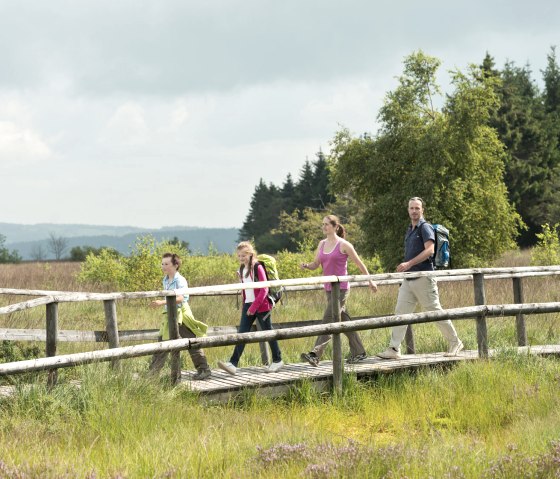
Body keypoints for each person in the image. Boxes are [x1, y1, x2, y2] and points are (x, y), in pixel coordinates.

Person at [377, 197, 464, 359]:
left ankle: (455, 342)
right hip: (409, 279)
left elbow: (430, 250)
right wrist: (407, 268)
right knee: (400, 313)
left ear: (422, 210)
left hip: (424, 277)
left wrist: (409, 263)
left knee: (434, 312)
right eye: (411, 208)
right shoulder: (410, 229)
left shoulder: (425, 228)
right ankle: (394, 349)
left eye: (417, 208)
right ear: (408, 210)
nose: (414, 211)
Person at [299, 215, 378, 367]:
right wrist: (307, 266)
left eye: (327, 224)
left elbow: (359, 263)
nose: (324, 227)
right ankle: (359, 352)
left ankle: (315, 354)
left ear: (335, 227)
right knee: (343, 319)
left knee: (329, 319)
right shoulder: (321, 244)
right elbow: (316, 263)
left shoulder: (344, 245)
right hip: (328, 288)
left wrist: (370, 280)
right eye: (323, 225)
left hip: (341, 289)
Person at [217, 241, 284, 375]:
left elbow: (264, 289)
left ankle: (277, 360)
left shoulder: (257, 267)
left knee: (268, 332)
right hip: (248, 304)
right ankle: (233, 363)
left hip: (262, 305)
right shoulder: (242, 269)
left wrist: (253, 307)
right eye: (239, 256)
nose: (241, 258)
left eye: (243, 255)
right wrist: (246, 305)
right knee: (242, 334)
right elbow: (245, 290)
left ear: (250, 254)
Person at [149, 252, 212, 380]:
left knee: (191, 342)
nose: (163, 266)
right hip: (170, 315)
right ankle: (152, 374)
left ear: (175, 265)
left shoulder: (180, 280)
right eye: (162, 264)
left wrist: (162, 302)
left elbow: (182, 297)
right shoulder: (165, 280)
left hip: (181, 314)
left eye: (167, 264)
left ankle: (204, 370)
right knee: (163, 341)